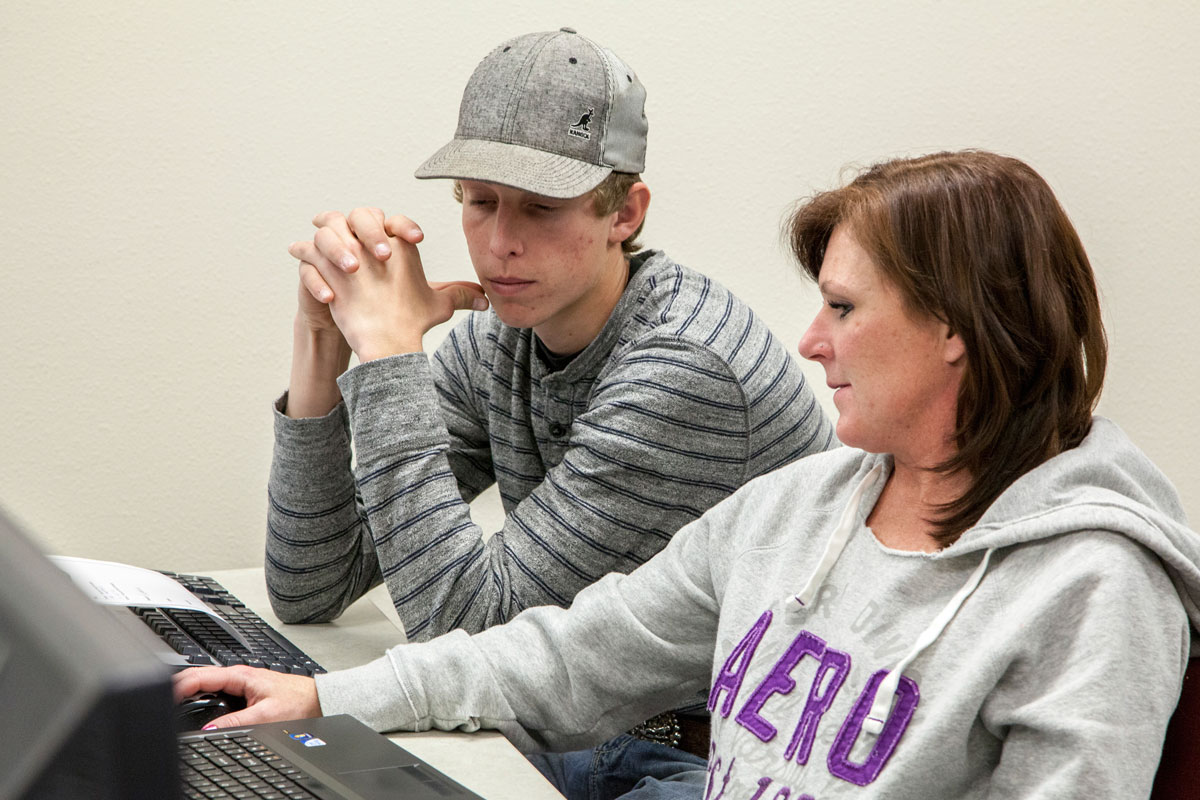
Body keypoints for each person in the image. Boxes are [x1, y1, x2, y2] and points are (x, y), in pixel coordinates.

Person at [180, 149, 1200, 797]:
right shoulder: (803, 507)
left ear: (957, 332)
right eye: (477, 203)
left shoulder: (1094, 585)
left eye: (844, 308)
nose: (809, 341)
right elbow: (573, 654)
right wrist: (331, 697)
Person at [265, 26, 835, 793]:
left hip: (708, 758)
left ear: (623, 213)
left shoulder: (684, 367)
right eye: (480, 202)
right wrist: (323, 342)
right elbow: (312, 585)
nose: (500, 244)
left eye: (541, 208)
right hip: (580, 729)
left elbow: (468, 626)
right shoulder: (506, 336)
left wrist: (391, 357)